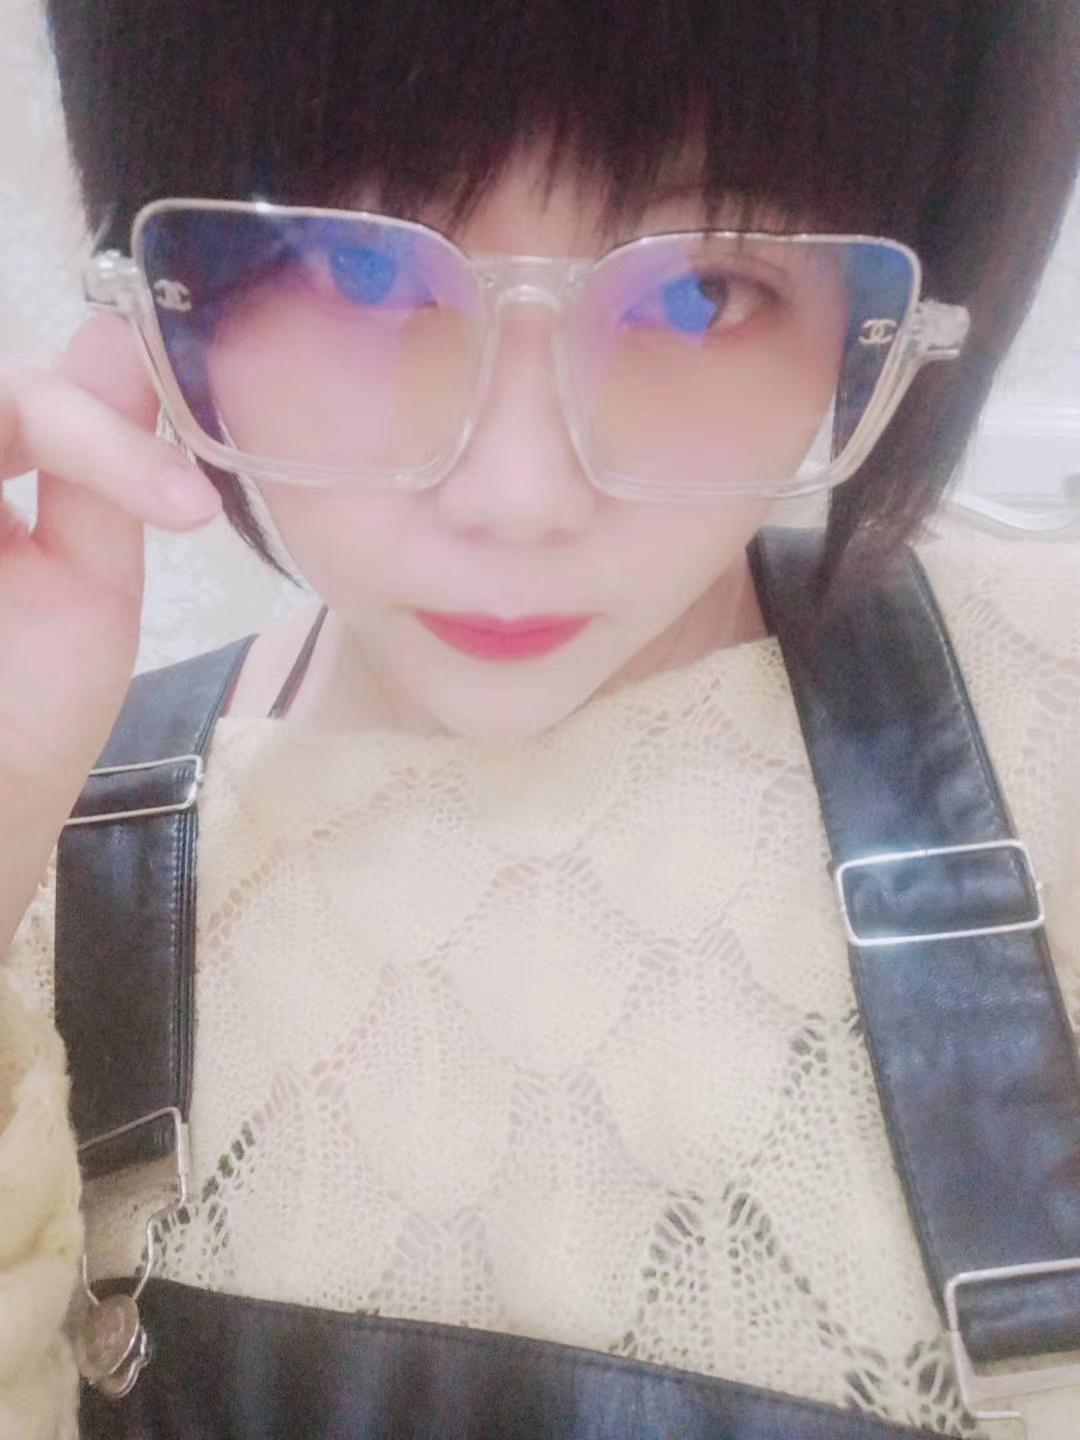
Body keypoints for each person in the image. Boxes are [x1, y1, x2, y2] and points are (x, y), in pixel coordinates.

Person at [1, 2, 1079, 1436]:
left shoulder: (1049, 716)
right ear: (156, 280)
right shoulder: (47, 855)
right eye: (356, 266)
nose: (520, 494)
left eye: (703, 293)